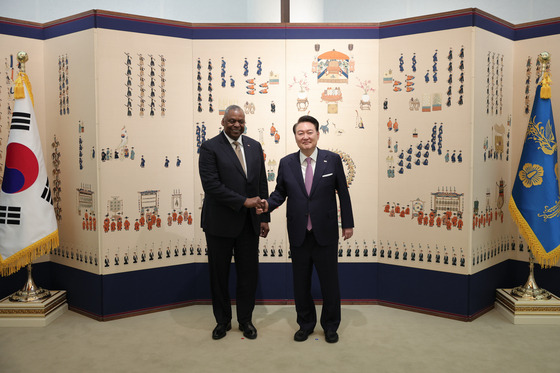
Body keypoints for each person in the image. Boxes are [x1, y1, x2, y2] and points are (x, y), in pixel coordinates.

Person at [258, 115, 354, 343]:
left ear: (318, 134)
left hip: (326, 232)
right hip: (299, 232)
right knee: (300, 283)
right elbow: (279, 193)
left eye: (309, 132)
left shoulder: (332, 160)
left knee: (330, 283)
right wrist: (266, 206)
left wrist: (348, 223)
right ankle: (306, 324)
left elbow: (343, 192)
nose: (305, 137)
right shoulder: (286, 163)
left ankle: (331, 326)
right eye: (300, 133)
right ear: (295, 137)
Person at [199, 105, 270, 340]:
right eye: (231, 121)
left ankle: (245, 320)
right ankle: (222, 321)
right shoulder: (210, 147)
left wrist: (264, 217)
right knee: (219, 276)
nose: (236, 125)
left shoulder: (254, 146)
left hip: (249, 224)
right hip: (219, 224)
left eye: (240, 121)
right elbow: (211, 186)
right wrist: (244, 202)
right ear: (223, 122)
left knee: (248, 274)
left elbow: (261, 184)